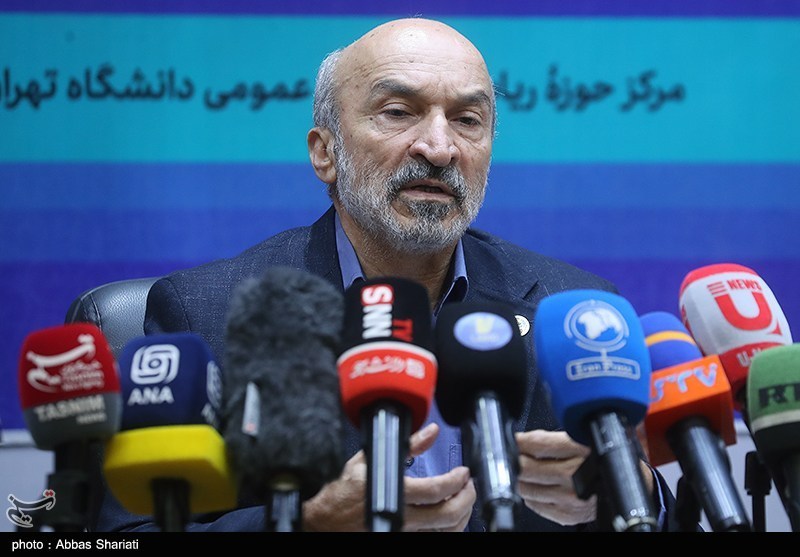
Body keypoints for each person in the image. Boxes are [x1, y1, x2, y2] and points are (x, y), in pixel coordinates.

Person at [92, 16, 684, 533]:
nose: (439, 148)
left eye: (468, 120)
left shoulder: (573, 307)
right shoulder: (205, 314)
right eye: (398, 113)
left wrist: (630, 494)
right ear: (324, 152)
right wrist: (307, 524)